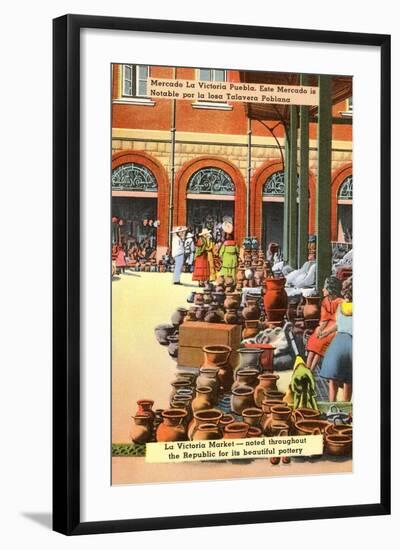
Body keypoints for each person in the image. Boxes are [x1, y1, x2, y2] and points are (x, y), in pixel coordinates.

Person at [319, 277, 353, 402]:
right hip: (351, 343)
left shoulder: (342, 306)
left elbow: (338, 324)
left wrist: (325, 332)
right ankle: (346, 404)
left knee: (333, 378)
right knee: (349, 379)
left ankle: (331, 404)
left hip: (338, 343)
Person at [306, 276, 343, 370]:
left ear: (330, 289)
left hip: (335, 328)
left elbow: (339, 322)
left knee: (322, 342)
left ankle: (311, 370)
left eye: (325, 288)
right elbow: (324, 319)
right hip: (327, 325)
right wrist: (319, 329)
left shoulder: (341, 302)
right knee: (314, 338)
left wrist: (326, 332)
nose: (322, 289)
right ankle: (306, 369)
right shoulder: (325, 301)